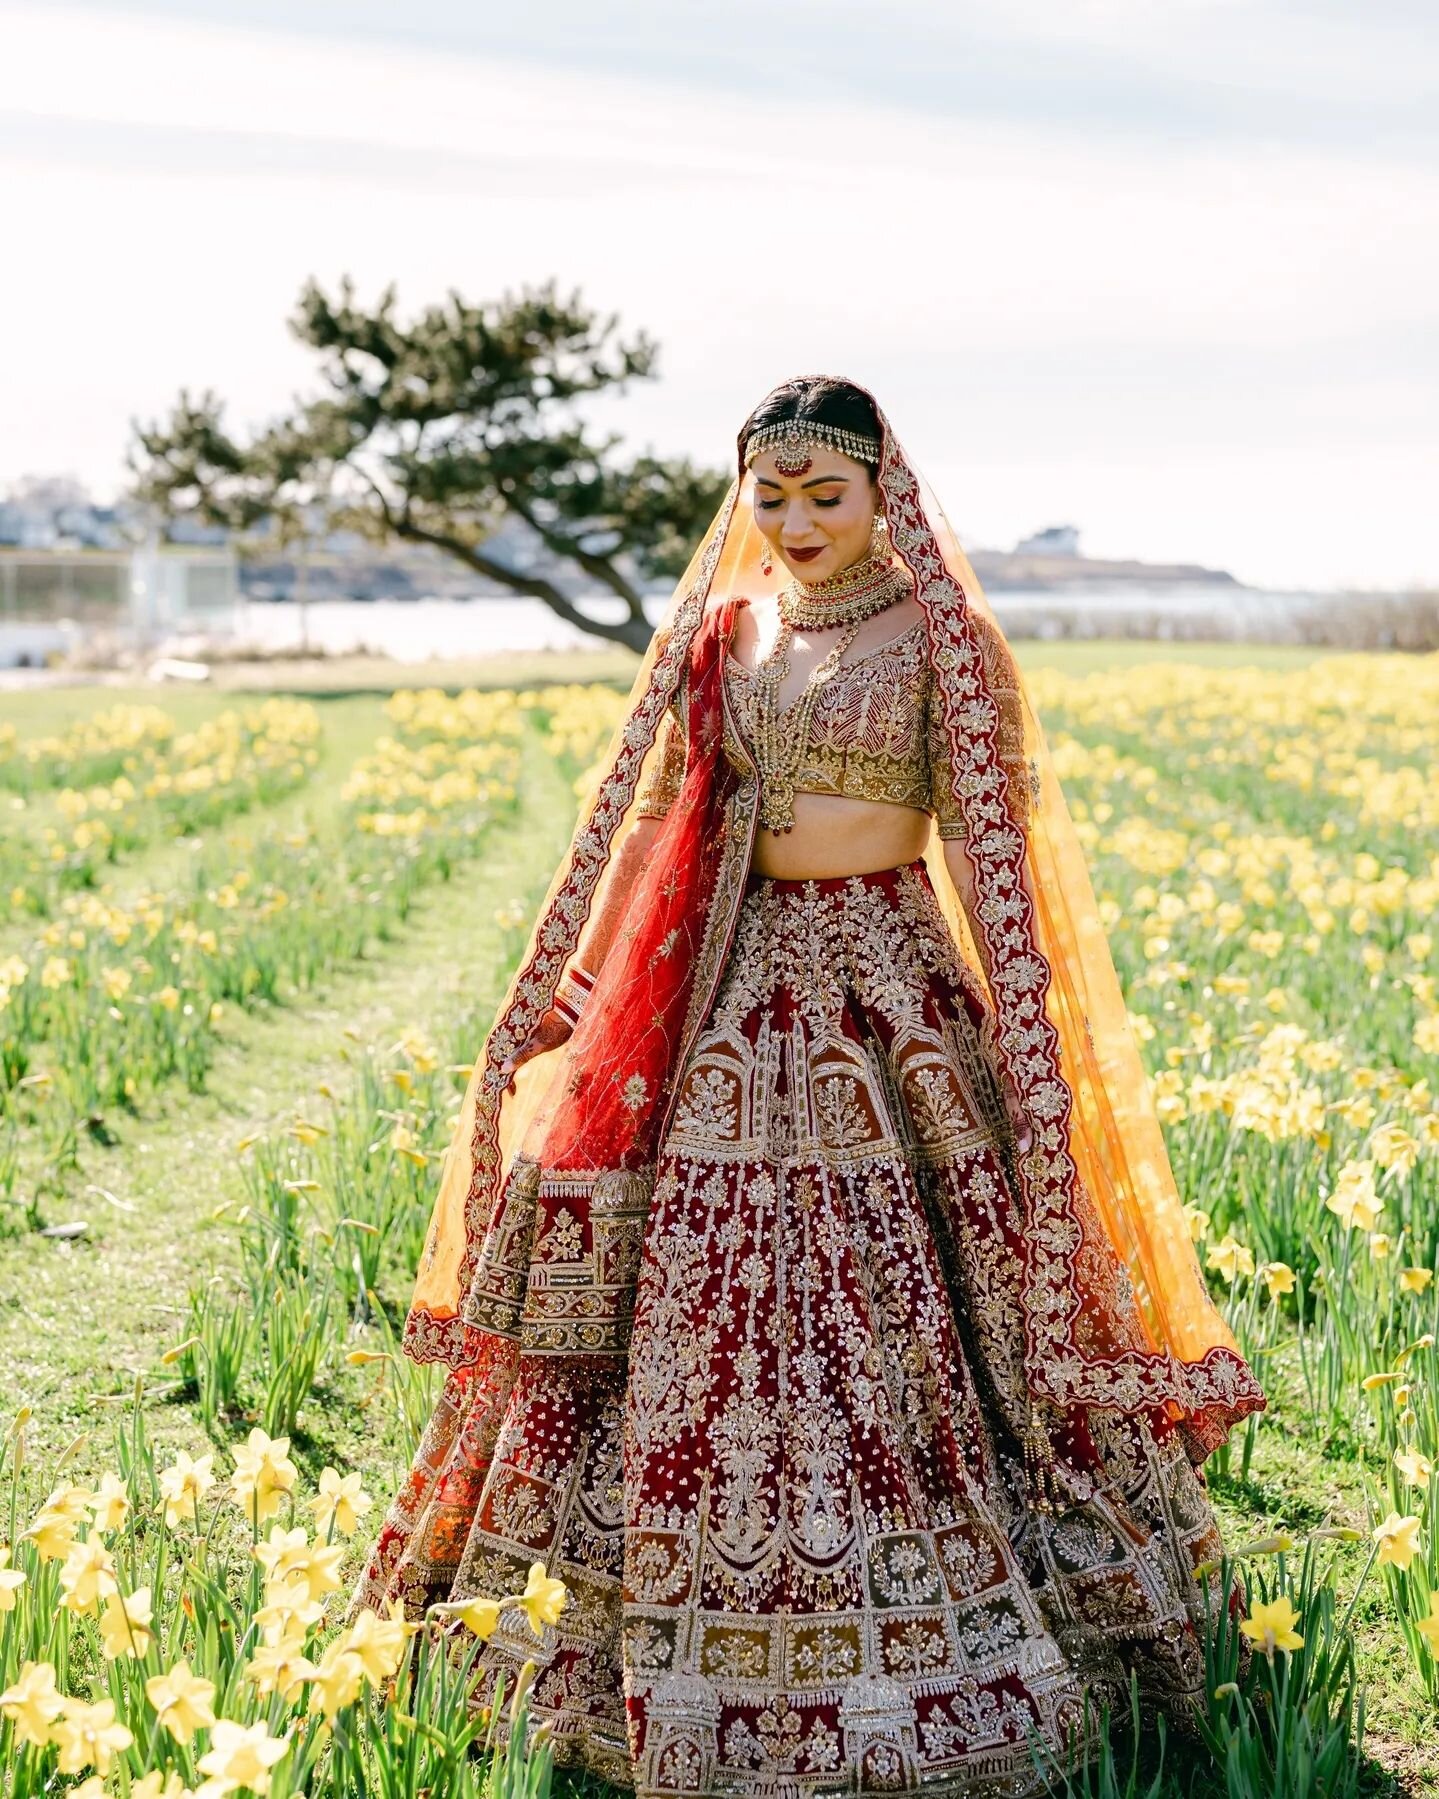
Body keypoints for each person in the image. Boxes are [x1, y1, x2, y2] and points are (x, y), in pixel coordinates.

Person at [344, 375, 1266, 1797]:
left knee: (904, 1296)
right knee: (704, 1283)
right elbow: (659, 818)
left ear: (883, 490)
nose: (794, 521)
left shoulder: (943, 637)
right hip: (730, 985)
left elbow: (993, 856)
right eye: (769, 497)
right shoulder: (728, 632)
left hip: (886, 994)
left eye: (823, 494)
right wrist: (573, 1009)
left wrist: (1026, 1066)